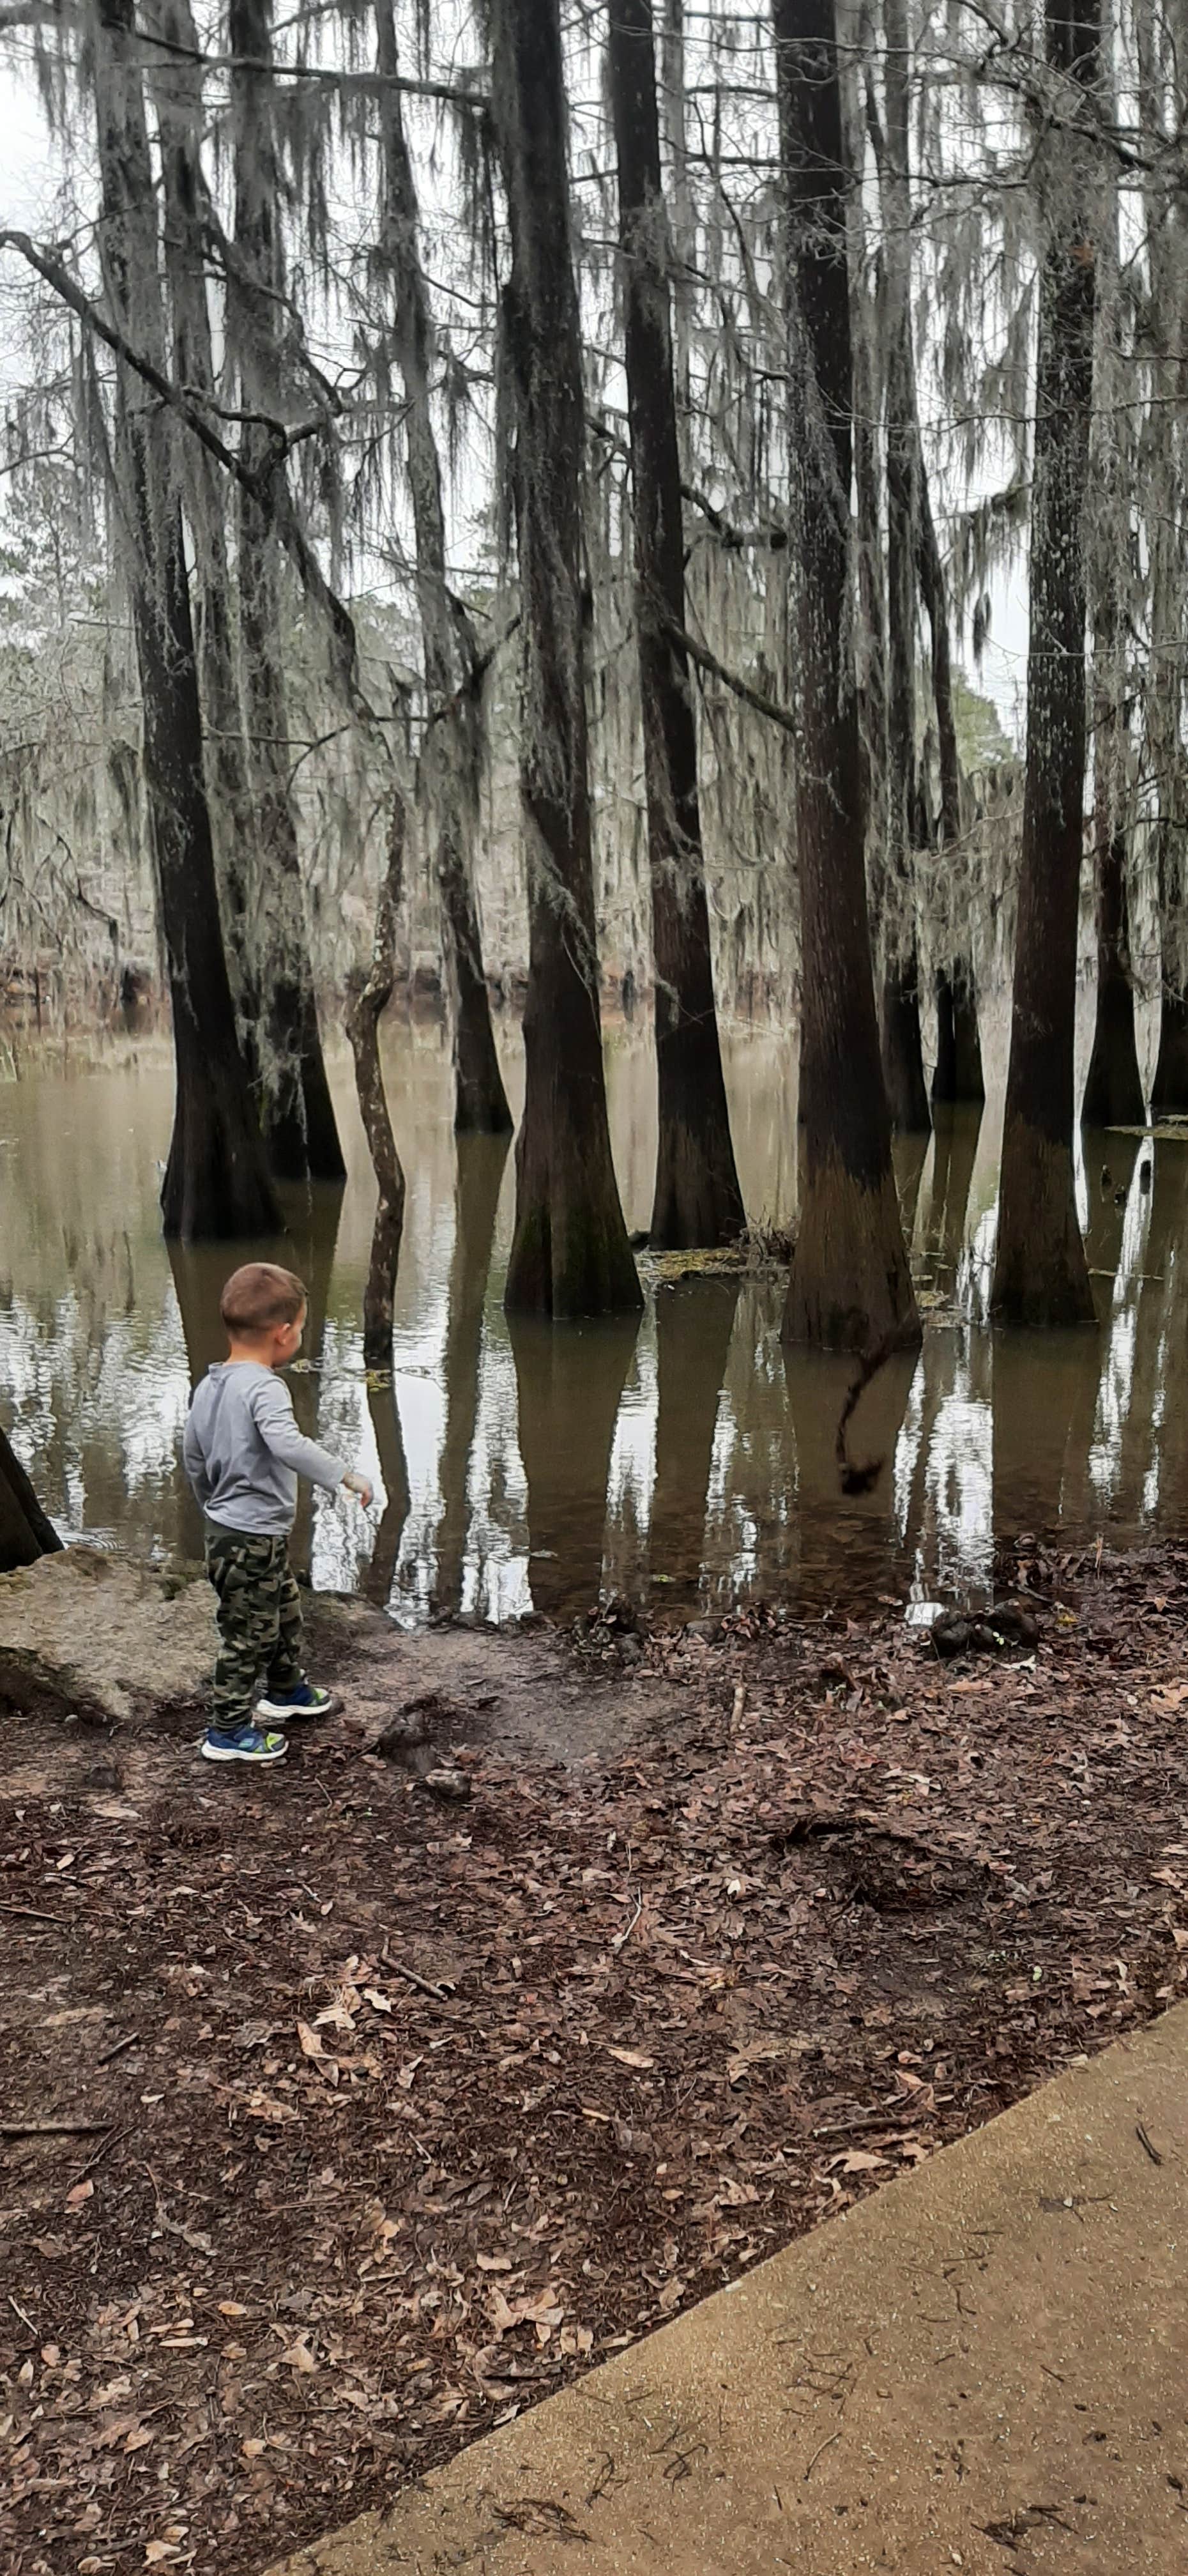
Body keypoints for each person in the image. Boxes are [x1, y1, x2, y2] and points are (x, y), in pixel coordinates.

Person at [182, 1262, 373, 1765]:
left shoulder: (209, 1385)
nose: (301, 1337)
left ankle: (285, 1690)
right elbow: (287, 1444)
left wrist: (211, 1504)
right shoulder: (265, 1387)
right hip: (248, 1535)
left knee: (284, 1607)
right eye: (303, 1329)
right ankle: (227, 1732)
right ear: (283, 1334)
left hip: (233, 1530)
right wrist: (343, 1476)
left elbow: (193, 1456)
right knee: (247, 1634)